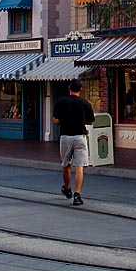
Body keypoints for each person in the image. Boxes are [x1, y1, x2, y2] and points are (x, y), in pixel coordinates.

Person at [53, 78, 95, 206]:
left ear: (69, 89)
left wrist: (64, 121)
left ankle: (67, 188)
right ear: (80, 90)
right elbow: (91, 121)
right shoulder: (85, 103)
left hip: (66, 136)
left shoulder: (61, 102)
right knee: (79, 166)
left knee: (66, 165)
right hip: (80, 136)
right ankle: (77, 194)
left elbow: (55, 120)